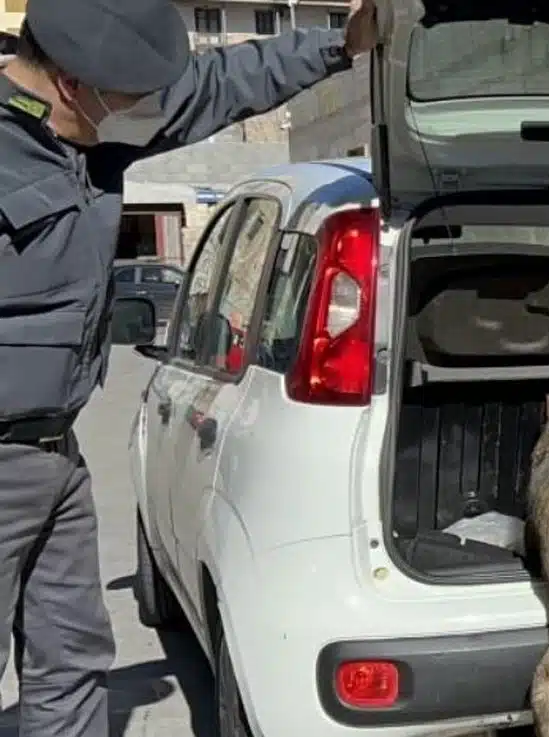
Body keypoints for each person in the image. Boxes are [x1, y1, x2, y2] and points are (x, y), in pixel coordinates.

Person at [0, 0, 377, 734]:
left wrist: (342, 45)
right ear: (75, 84)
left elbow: (218, 84)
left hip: (56, 456)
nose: (142, 113)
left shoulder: (91, 137)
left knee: (71, 661)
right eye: (130, 100)